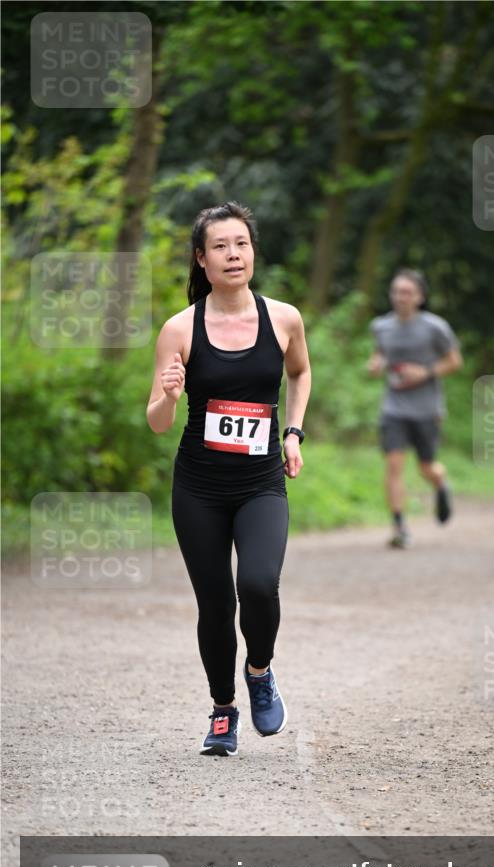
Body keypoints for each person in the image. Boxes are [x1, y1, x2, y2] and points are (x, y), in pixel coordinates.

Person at [146, 201, 311, 755]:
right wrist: (168, 395)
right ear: (202, 258)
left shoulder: (283, 318)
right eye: (220, 246)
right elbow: (157, 421)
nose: (232, 254)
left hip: (261, 480)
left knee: (259, 585)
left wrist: (293, 432)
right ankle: (223, 710)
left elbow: (300, 371)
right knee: (216, 604)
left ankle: (259, 670)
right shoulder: (180, 328)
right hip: (199, 485)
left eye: (240, 243)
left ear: (253, 252)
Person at [366, 268, 462, 548]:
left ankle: (441, 484)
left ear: (420, 297)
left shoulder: (435, 327)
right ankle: (399, 527)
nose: (400, 297)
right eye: (396, 291)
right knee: (394, 465)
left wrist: (425, 372)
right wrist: (376, 364)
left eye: (407, 292)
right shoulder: (381, 326)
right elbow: (380, 354)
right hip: (394, 408)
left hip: (426, 408)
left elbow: (455, 361)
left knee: (426, 467)